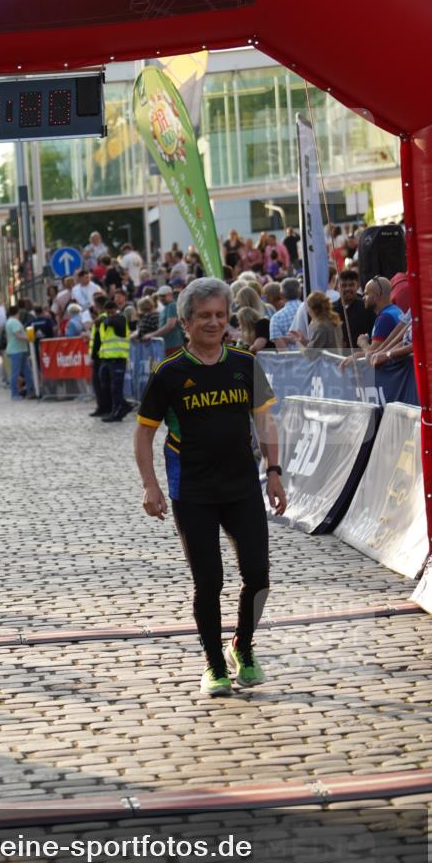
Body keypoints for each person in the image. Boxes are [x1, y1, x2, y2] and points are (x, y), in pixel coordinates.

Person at [134, 277, 286, 697]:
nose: (214, 323)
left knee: (258, 574)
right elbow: (144, 433)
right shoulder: (169, 373)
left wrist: (274, 471)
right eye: (204, 316)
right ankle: (214, 662)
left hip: (242, 487)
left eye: (220, 315)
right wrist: (151, 486)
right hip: (193, 491)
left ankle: (244, 645)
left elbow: (265, 421)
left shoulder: (244, 364)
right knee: (209, 580)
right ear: (185, 322)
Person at [340, 275, 403, 371]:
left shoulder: (385, 318)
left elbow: (372, 355)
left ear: (376, 296)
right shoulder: (395, 310)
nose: (363, 297)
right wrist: (357, 355)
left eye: (366, 294)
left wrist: (363, 342)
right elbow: (379, 351)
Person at [97, 297, 131, 423]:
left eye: (112, 311)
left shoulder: (120, 319)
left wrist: (104, 319)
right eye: (108, 311)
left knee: (116, 388)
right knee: (105, 385)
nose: (110, 313)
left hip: (118, 358)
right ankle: (124, 405)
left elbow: (112, 323)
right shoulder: (105, 320)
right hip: (106, 358)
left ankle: (117, 412)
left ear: (116, 310)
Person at [290, 291, 344, 361]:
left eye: (308, 307)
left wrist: (297, 342)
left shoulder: (321, 326)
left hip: (329, 366)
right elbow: (321, 343)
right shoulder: (332, 320)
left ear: (313, 310)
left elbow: (309, 354)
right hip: (336, 362)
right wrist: (304, 341)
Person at [333, 268, 372, 351]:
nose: (347, 288)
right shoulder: (331, 310)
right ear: (337, 287)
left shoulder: (367, 308)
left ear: (357, 286)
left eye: (351, 285)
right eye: (343, 285)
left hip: (361, 358)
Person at [143, 284, 184, 356]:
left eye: (163, 296)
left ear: (170, 295)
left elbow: (170, 325)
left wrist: (151, 335)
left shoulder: (172, 305)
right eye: (159, 296)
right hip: (166, 346)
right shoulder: (166, 308)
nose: (161, 298)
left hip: (173, 346)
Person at [4, 304, 33, 402]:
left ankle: (30, 390)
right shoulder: (14, 322)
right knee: (16, 373)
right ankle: (15, 394)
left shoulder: (9, 321)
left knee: (26, 371)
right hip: (17, 350)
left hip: (18, 349)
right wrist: (29, 338)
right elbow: (18, 335)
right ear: (18, 313)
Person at [269, 277, 303, 350]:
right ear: (300, 293)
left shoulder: (276, 318)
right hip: (313, 358)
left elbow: (282, 351)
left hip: (291, 360)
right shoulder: (310, 310)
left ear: (281, 295)